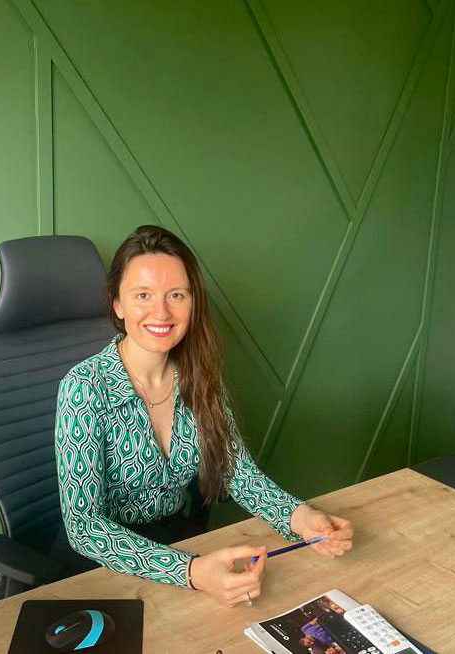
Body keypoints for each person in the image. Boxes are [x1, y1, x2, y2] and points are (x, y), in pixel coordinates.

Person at [55, 225, 354, 607]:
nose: (161, 312)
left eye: (176, 295)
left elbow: (236, 472)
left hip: (181, 547)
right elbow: (83, 527)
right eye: (143, 295)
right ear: (117, 304)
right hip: (100, 571)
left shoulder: (198, 376)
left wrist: (301, 517)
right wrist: (191, 571)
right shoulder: (84, 386)